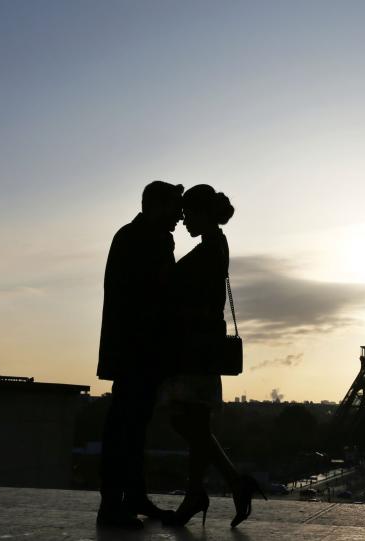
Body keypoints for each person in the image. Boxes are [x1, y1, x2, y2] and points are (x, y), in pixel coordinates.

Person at [161, 184, 265, 528]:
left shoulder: (207, 251)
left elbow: (187, 293)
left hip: (195, 346)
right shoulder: (214, 245)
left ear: (204, 213)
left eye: (189, 213)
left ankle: (209, 489)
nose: (184, 219)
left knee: (187, 421)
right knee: (194, 422)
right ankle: (221, 486)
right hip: (202, 345)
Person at [96, 180, 183, 529]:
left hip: (134, 352)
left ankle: (128, 498)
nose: (179, 215)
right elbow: (154, 296)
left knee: (130, 429)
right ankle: (115, 504)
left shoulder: (135, 236)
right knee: (126, 429)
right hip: (139, 352)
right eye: (174, 207)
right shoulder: (145, 239)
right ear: (157, 206)